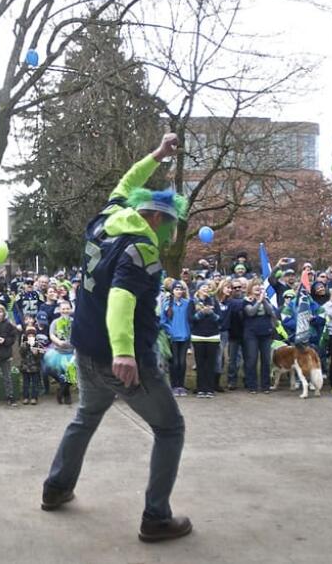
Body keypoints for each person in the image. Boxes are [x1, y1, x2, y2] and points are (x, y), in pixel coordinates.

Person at [42, 133, 192, 543]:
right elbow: (122, 299)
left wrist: (157, 156)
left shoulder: (105, 221)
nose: (171, 234)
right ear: (156, 219)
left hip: (86, 349)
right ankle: (156, 517)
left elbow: (125, 185)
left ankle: (56, 488)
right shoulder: (142, 248)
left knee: (87, 415)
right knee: (170, 429)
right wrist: (124, 353)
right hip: (121, 358)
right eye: (171, 225)